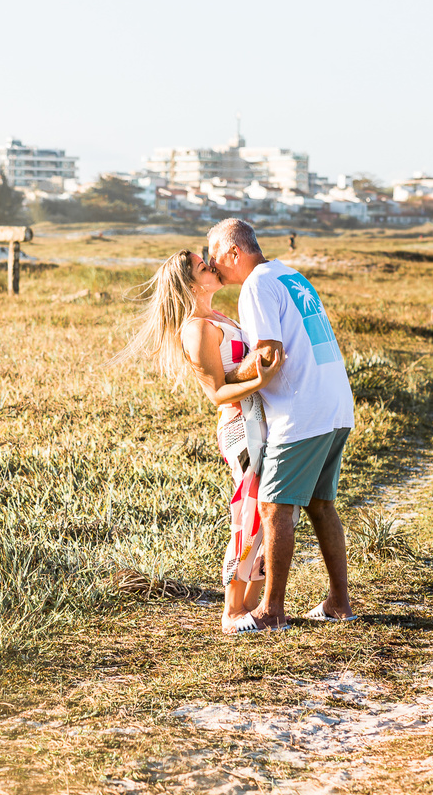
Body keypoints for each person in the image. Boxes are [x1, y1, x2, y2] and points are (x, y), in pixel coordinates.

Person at [120, 249, 285, 633]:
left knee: (267, 511)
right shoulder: (195, 328)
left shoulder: (220, 318)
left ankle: (250, 606)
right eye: (202, 266)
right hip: (240, 425)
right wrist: (261, 381)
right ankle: (231, 611)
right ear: (190, 283)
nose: (212, 266)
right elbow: (216, 393)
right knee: (248, 512)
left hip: (260, 419)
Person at [208, 218, 356, 632]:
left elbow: (269, 355)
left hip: (301, 410)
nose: (212, 264)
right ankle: (338, 603)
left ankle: (272, 611)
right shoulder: (291, 274)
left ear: (234, 252)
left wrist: (225, 381)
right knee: (321, 504)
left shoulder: (255, 284)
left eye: (215, 255)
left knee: (275, 507)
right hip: (335, 404)